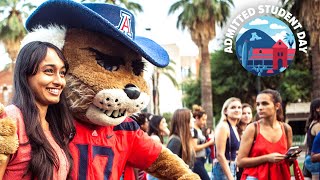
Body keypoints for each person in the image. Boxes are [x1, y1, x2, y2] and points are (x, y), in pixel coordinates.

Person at [0, 41, 75, 179]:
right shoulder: (10, 119)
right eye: (49, 71)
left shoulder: (54, 126)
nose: (59, 81)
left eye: (62, 73)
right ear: (25, 75)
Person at [236, 89, 294, 180]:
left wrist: (291, 158)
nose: (260, 107)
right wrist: (267, 158)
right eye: (258, 104)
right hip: (256, 177)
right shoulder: (252, 128)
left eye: (265, 103)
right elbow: (240, 161)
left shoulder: (286, 129)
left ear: (277, 106)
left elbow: (287, 162)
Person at [212, 97, 241, 180]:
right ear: (225, 111)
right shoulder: (223, 127)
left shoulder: (234, 127)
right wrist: (230, 177)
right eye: (233, 107)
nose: (237, 110)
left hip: (231, 167)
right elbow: (220, 155)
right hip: (223, 169)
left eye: (239, 107)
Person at [191, 105, 215, 180]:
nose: (204, 122)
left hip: (201, 160)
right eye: (203, 119)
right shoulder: (194, 131)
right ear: (197, 118)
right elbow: (194, 148)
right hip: (196, 161)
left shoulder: (199, 130)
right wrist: (209, 143)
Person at [147, 115, 170, 180]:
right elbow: (164, 154)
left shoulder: (156, 137)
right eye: (163, 122)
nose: (166, 125)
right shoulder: (155, 138)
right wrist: (168, 132)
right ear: (157, 124)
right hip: (156, 174)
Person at [236, 103, 253, 179]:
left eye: (249, 113)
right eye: (244, 113)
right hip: (239, 165)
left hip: (251, 163)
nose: (247, 115)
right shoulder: (235, 130)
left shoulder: (253, 129)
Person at [304, 98, 320, 179]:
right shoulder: (318, 125)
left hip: (310, 157)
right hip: (316, 160)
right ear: (318, 108)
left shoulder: (312, 122)